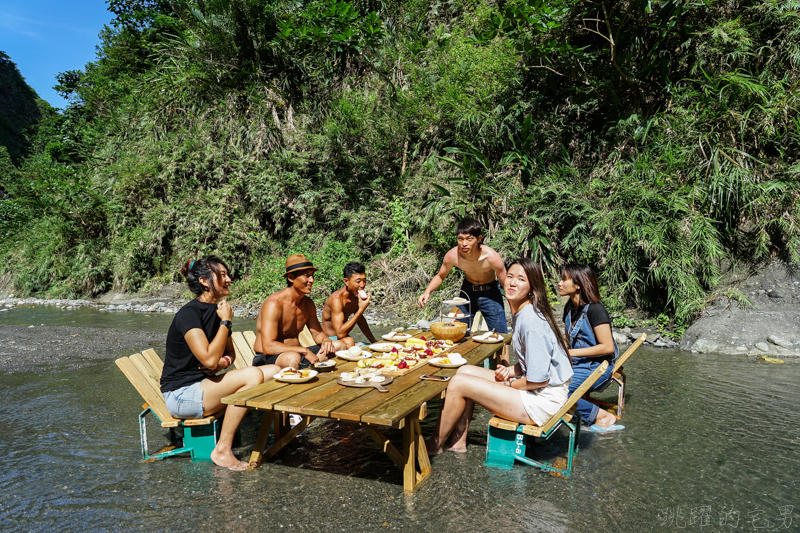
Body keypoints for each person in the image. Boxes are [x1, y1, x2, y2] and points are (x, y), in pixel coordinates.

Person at [426, 257, 573, 455]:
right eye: (510, 276)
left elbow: (538, 380)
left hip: (541, 402)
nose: (512, 282)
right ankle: (457, 441)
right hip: (537, 390)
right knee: (464, 370)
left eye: (521, 279)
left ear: (532, 287)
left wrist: (507, 385)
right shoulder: (524, 312)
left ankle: (435, 445)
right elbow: (537, 362)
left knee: (459, 384)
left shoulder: (531, 321)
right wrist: (512, 370)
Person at [161, 256, 281, 471]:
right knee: (253, 376)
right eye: (223, 275)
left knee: (275, 370)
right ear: (205, 281)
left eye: (228, 275)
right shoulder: (189, 314)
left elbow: (229, 354)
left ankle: (278, 433)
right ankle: (222, 450)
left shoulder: (217, 311)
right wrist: (225, 322)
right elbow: (207, 358)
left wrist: (221, 363)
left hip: (205, 385)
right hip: (182, 394)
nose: (229, 279)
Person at [252, 254, 349, 369]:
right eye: (306, 276)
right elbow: (268, 347)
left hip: (297, 354)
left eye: (312, 276)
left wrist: (325, 340)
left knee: (339, 346)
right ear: (291, 278)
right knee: (292, 359)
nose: (311, 280)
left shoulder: (307, 304)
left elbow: (317, 333)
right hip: (267, 358)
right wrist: (304, 350)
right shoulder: (274, 304)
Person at [418, 218, 509, 340]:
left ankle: (503, 360)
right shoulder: (452, 256)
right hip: (467, 292)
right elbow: (440, 276)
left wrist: (514, 311)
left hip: (491, 293)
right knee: (456, 331)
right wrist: (427, 291)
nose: (464, 243)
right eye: (460, 239)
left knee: (500, 336)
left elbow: (507, 284)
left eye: (469, 239)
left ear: (479, 239)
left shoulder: (491, 257)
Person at [558, 264, 623, 431]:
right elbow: (569, 340)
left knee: (558, 392)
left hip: (597, 367)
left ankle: (601, 415)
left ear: (578, 284)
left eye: (564, 279)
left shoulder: (596, 309)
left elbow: (607, 347)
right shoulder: (569, 308)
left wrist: (570, 353)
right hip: (577, 364)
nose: (559, 283)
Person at [321, 261, 377, 347]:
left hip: (344, 336)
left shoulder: (355, 296)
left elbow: (360, 320)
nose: (362, 285)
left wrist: (374, 341)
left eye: (364, 281)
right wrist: (360, 310)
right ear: (346, 281)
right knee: (350, 341)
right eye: (358, 281)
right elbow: (339, 334)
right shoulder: (336, 300)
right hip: (330, 339)